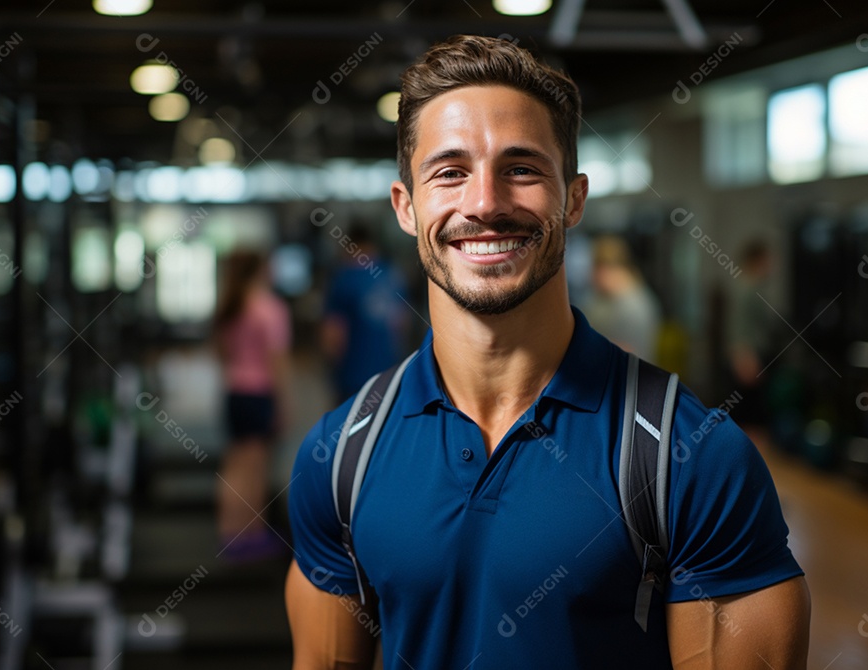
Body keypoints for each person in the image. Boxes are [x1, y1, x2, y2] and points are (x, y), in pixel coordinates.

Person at [285, 35, 809, 669]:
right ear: (406, 206)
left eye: (522, 169)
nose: (485, 203)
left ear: (574, 198)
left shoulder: (694, 459)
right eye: (449, 172)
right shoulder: (341, 455)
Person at [212, 250, 291, 561]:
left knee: (235, 465)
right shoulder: (270, 308)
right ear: (260, 270)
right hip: (260, 394)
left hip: (235, 392)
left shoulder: (231, 306)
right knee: (256, 468)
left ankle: (229, 532)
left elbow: (222, 354)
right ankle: (253, 534)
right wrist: (283, 403)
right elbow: (277, 362)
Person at [320, 222, 410, 403]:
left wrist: (330, 369)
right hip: (388, 374)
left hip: (353, 377)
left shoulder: (344, 279)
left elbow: (332, 335)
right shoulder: (392, 275)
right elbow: (402, 325)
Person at [582, 235, 661, 363]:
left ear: (604, 269)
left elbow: (628, 353)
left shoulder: (633, 306)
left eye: (593, 269)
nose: (590, 277)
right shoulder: (605, 299)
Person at [724, 239, 775, 435]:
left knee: (753, 416)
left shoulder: (752, 287)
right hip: (748, 360)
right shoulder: (746, 289)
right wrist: (743, 358)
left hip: (754, 357)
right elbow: (738, 328)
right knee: (749, 418)